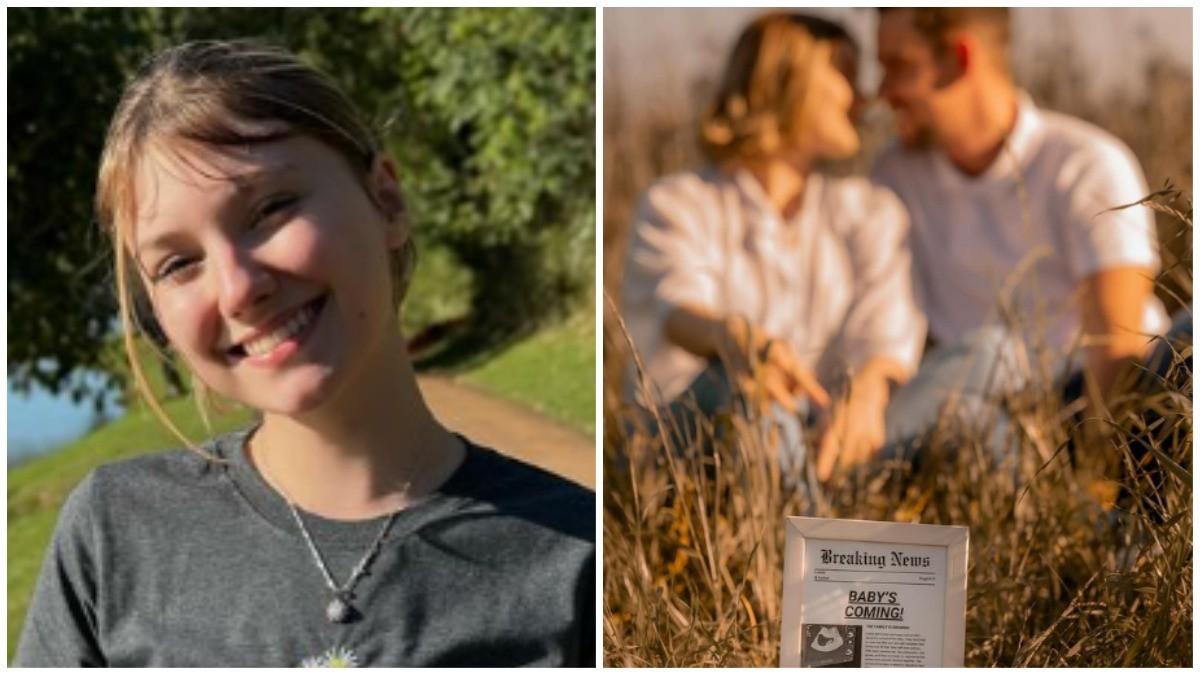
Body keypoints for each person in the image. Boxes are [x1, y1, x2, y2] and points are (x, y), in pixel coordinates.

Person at [15, 40, 594, 667]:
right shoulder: (114, 535)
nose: (238, 289)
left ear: (388, 202)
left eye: (270, 209)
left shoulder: (586, 559)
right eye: (179, 263)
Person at [619, 13, 926, 482]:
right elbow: (674, 308)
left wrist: (865, 394)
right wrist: (733, 338)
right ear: (782, 81)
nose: (862, 99)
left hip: (827, 434)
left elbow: (885, 337)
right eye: (844, 74)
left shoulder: (871, 211)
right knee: (754, 393)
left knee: (979, 366)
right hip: (697, 442)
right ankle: (805, 544)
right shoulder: (680, 203)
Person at [871, 7, 1173, 431]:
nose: (881, 91)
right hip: (979, 410)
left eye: (898, 67)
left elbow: (1117, 338)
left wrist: (1090, 471)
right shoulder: (892, 177)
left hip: (1109, 402)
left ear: (958, 59)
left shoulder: (1086, 162)